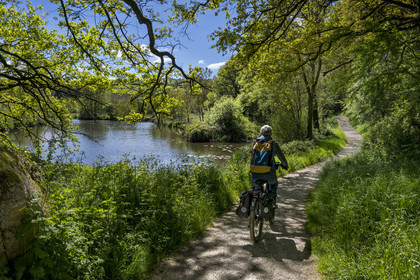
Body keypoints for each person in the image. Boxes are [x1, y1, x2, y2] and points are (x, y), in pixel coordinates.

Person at [250, 125, 288, 207]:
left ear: (261, 133)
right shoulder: (273, 144)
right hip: (268, 174)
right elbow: (281, 157)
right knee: (273, 184)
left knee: (256, 190)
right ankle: (272, 202)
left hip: (255, 174)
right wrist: (285, 165)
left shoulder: (255, 143)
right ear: (271, 134)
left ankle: (255, 210)